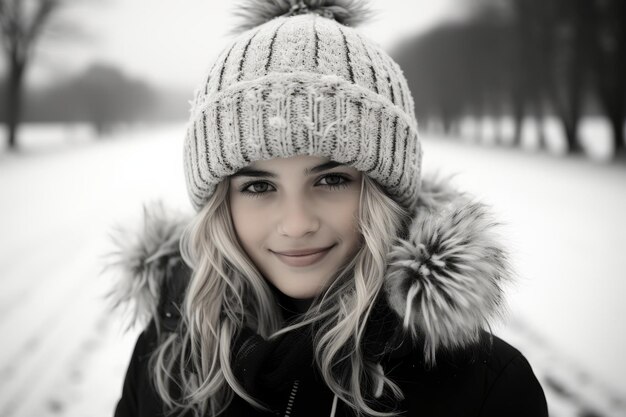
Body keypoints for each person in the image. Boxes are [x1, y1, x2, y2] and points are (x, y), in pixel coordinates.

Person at [110, 1, 548, 416]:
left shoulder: (485, 387)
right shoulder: (165, 354)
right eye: (259, 186)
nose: (297, 224)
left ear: (381, 192)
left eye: (332, 179)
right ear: (219, 205)